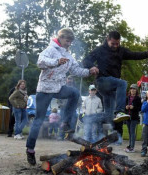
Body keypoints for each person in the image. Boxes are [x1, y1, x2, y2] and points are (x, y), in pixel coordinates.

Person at [25, 28, 98, 165]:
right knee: (39, 120)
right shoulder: (51, 49)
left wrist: (89, 71)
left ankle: (64, 123)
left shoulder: (68, 55)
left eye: (71, 41)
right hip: (45, 89)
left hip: (58, 87)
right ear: (60, 38)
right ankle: (30, 150)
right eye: (67, 40)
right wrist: (56, 62)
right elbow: (40, 62)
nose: (69, 43)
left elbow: (75, 70)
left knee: (74, 93)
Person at [82, 31, 148, 125]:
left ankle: (89, 120)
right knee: (122, 83)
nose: (115, 46)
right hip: (102, 81)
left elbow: (134, 55)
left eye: (117, 43)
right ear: (107, 40)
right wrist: (92, 66)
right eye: (113, 44)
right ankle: (119, 111)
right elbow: (86, 60)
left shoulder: (121, 51)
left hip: (112, 87)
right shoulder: (100, 50)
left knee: (109, 114)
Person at [57, 75, 82, 140]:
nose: (70, 80)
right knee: (62, 122)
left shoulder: (76, 90)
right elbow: (58, 98)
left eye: (71, 79)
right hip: (63, 109)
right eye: (68, 79)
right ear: (66, 80)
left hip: (72, 110)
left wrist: (76, 106)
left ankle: (70, 136)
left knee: (72, 122)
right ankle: (61, 136)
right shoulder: (63, 88)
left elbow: (79, 100)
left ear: (73, 80)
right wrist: (61, 105)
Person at [125, 84, 142, 153]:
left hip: (134, 117)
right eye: (131, 89)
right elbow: (123, 106)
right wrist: (126, 107)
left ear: (136, 90)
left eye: (134, 89)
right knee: (129, 132)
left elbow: (140, 108)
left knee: (132, 132)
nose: (132, 90)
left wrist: (133, 107)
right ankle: (130, 145)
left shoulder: (138, 98)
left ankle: (132, 147)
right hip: (127, 117)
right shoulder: (127, 98)